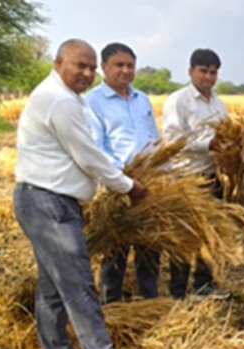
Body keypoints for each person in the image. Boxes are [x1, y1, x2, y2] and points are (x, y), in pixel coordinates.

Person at [12, 39, 148, 349]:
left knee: (52, 287)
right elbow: (88, 155)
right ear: (59, 63)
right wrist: (128, 186)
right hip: (48, 204)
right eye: (79, 66)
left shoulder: (63, 97)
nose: (86, 73)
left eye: (90, 67)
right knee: (77, 284)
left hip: (42, 200)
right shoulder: (59, 102)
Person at [85, 42, 161, 304]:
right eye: (119, 65)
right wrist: (125, 180)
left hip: (149, 184)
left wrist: (163, 172)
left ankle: (150, 302)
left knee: (150, 246)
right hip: (117, 186)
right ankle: (111, 304)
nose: (126, 71)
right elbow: (96, 147)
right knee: (116, 249)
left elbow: (155, 139)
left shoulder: (142, 99)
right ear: (104, 67)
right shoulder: (93, 101)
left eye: (130, 65)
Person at [161, 48, 232, 300]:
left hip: (212, 176)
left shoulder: (219, 105)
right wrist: (207, 145)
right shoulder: (178, 101)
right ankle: (178, 292)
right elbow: (172, 139)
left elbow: (225, 137)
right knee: (184, 236)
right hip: (186, 178)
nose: (209, 77)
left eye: (213, 73)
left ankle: (204, 285)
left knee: (209, 233)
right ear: (191, 71)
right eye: (203, 71)